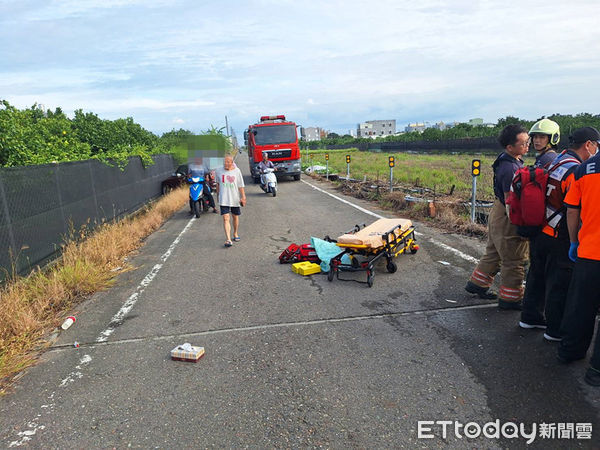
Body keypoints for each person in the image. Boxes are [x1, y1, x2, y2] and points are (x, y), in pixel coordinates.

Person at [519, 127, 594, 341]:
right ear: (588, 145)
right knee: (559, 283)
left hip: (541, 228)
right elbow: (574, 208)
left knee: (537, 275)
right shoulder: (576, 169)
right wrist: (575, 240)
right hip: (559, 234)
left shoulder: (555, 161)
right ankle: (554, 330)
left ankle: (529, 316)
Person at [465, 124, 530, 309]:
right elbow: (511, 201)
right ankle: (511, 299)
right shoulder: (510, 168)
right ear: (510, 147)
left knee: (494, 252)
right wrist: (519, 225)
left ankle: (477, 284)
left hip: (498, 212)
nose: (528, 146)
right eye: (524, 143)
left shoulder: (508, 159)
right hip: (508, 215)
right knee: (514, 258)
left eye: (528, 142)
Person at [555, 127, 600, 386]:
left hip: (587, 252)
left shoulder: (585, 169)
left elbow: (572, 211)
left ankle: (568, 352)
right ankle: (596, 372)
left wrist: (574, 241)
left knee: (580, 305)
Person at [215, 155, 246, 247]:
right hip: (224, 198)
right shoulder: (218, 171)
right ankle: (228, 239)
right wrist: (218, 196)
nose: (226, 164)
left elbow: (240, 186)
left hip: (235, 198)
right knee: (225, 218)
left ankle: (235, 233)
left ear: (232, 163)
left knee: (235, 217)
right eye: (225, 162)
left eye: (228, 162)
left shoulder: (237, 171)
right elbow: (218, 184)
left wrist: (243, 197)